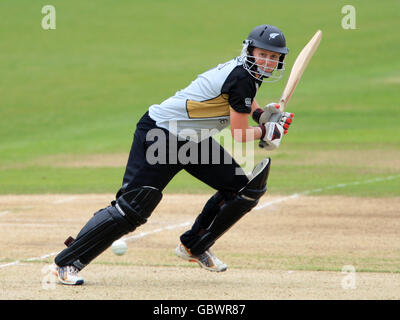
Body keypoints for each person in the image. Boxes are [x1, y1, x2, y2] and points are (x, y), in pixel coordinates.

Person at [52, 24, 294, 285]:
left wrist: (261, 116)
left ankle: (194, 245)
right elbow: (239, 134)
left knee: (242, 190)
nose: (268, 61)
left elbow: (243, 101)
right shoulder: (242, 77)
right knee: (133, 208)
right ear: (250, 51)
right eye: (263, 54)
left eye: (273, 56)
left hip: (193, 140)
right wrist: (268, 130)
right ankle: (66, 263)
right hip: (161, 135)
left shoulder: (248, 74)